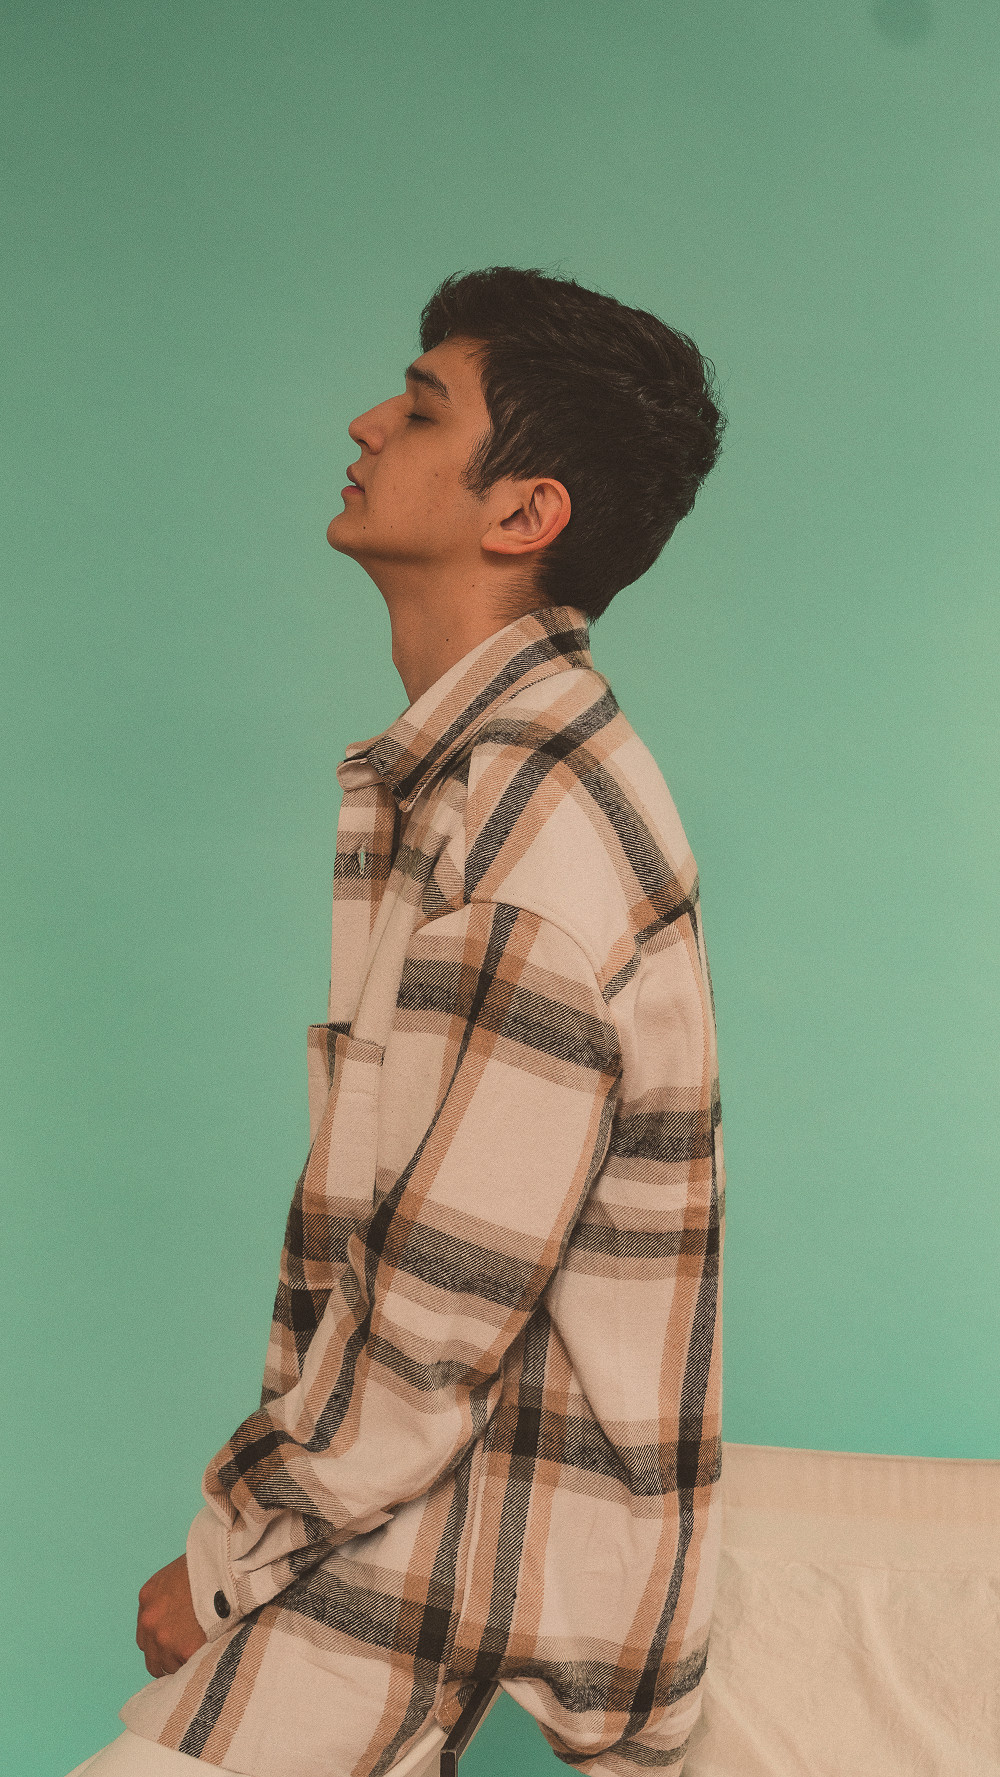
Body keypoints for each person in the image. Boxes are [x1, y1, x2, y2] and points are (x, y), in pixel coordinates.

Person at [68, 266, 726, 1777]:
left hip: (434, 1576)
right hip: (407, 1548)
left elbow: (436, 1323)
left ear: (526, 513)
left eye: (423, 409)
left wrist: (231, 1553)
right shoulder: (475, 785)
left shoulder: (528, 831)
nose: (368, 421)